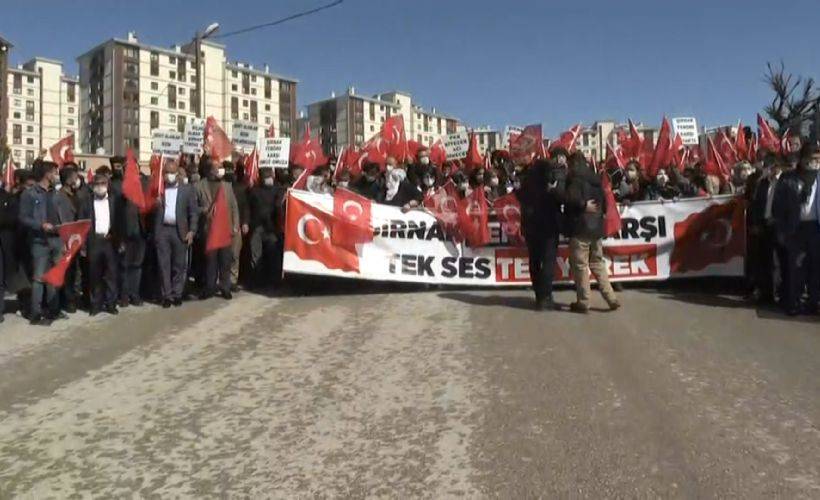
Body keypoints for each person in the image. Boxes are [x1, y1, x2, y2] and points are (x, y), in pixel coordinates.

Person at [564, 153, 620, 313]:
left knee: (580, 265)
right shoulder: (596, 179)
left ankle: (584, 301)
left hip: (580, 227)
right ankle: (611, 298)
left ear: (573, 164)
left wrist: (582, 205)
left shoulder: (575, 179)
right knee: (598, 263)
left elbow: (570, 199)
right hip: (596, 228)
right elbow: (604, 204)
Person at [772, 141, 820, 315]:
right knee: (796, 267)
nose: (815, 162)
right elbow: (778, 207)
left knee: (815, 267)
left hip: (815, 228)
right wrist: (781, 230)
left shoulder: (818, 177)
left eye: (818, 159)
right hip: (795, 228)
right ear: (803, 158)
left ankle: (813, 302)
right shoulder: (788, 179)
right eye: (812, 158)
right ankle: (794, 302)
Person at [19, 161, 65, 325]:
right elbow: (23, 218)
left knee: (54, 276)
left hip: (56, 239)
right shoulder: (30, 194)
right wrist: (40, 225)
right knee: (39, 278)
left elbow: (62, 215)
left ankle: (53, 310)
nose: (56, 176)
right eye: (54, 172)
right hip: (39, 240)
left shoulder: (57, 193)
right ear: (47, 174)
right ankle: (36, 313)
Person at [518, 158, 565, 310]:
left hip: (531, 228)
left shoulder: (527, 185)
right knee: (548, 262)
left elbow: (519, 199)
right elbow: (560, 200)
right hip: (548, 228)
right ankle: (546, 297)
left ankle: (539, 295)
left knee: (535, 261)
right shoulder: (549, 186)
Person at [153, 160, 198, 308]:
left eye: (172, 172)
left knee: (179, 265)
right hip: (163, 231)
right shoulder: (159, 189)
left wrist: (192, 230)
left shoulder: (187, 190)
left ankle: (177, 293)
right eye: (166, 172)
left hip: (180, 231)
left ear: (177, 174)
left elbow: (193, 212)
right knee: (163, 265)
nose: (169, 175)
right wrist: (155, 204)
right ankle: (166, 295)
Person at [196, 159, 240, 300]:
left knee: (225, 261)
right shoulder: (199, 186)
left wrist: (235, 225)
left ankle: (225, 287)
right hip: (209, 230)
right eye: (218, 167)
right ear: (210, 170)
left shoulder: (227, 186)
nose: (221, 170)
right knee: (210, 261)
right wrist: (204, 210)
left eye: (221, 167)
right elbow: (193, 207)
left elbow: (234, 207)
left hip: (225, 230)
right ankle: (210, 287)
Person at [79, 174, 119, 316]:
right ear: (92, 186)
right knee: (94, 275)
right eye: (97, 184)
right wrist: (83, 245)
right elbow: (81, 224)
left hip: (110, 241)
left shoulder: (114, 201)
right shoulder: (86, 202)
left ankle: (111, 304)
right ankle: (95, 304)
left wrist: (118, 239)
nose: (100, 187)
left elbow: (120, 222)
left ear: (107, 185)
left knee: (111, 274)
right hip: (94, 241)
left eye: (103, 183)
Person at [248, 167, 284, 289]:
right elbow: (249, 207)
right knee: (256, 255)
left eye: (270, 175)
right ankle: (256, 280)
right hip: (257, 226)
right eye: (266, 176)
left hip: (271, 228)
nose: (269, 178)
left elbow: (279, 206)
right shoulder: (254, 191)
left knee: (273, 255)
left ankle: (273, 281)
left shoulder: (278, 190)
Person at [53, 165, 82, 313]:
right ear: (68, 180)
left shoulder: (76, 195)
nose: (77, 180)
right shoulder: (59, 197)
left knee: (74, 271)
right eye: (75, 177)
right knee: (66, 272)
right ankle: (66, 300)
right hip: (66, 239)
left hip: (77, 238)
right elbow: (62, 220)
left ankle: (73, 298)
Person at [230, 161, 250, 290]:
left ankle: (232, 280)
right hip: (222, 225)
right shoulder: (219, 186)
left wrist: (245, 222)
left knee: (235, 254)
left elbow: (245, 206)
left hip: (236, 225)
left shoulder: (242, 189)